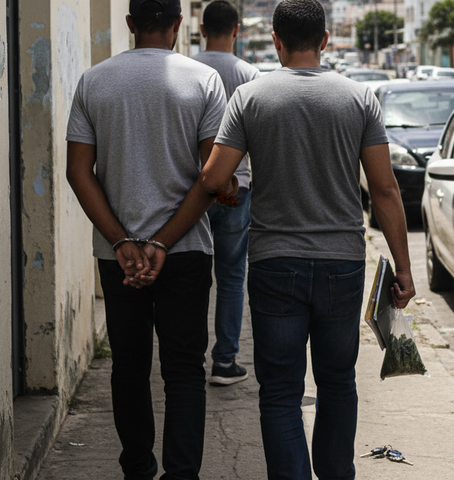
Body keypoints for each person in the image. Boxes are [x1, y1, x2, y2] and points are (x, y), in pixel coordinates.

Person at [199, 0, 416, 478]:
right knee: (338, 382)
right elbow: (384, 189)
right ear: (324, 40)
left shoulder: (250, 97)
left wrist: (230, 186)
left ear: (276, 41)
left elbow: (213, 177)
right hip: (343, 262)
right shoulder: (359, 98)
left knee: (279, 391)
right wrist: (403, 267)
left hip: (276, 263)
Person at [65, 0, 230, 477]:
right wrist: (162, 242)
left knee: (129, 368)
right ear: (179, 25)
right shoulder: (204, 81)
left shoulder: (95, 81)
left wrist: (122, 243)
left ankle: (137, 468)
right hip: (186, 251)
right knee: (184, 371)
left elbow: (80, 173)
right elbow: (211, 178)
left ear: (131, 24)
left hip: (121, 260)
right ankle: (182, 474)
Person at [192, 0, 260, 386]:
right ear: (237, 31)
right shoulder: (251, 74)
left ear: (202, 30)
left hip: (196, 189)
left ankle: (190, 356)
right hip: (240, 187)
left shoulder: (188, 68)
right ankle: (224, 360)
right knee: (233, 276)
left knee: (196, 273)